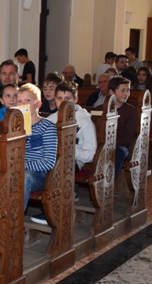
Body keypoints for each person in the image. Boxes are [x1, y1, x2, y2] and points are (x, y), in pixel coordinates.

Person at [16, 84, 58, 224]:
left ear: (38, 104)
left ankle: (14, 222)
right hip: (18, 170)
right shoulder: (14, 127)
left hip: (39, 175)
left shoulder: (47, 127)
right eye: (19, 101)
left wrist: (22, 166)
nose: (22, 105)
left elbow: (49, 162)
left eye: (27, 101)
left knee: (25, 177)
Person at [46, 82, 97, 173]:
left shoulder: (85, 122)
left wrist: (71, 150)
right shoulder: (50, 119)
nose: (63, 103)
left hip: (72, 162)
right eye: (59, 98)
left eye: (67, 99)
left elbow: (91, 155)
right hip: (49, 158)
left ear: (75, 99)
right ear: (55, 99)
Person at [108, 76, 138, 181]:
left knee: (119, 153)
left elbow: (129, 136)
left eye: (128, 90)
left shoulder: (130, 111)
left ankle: (110, 181)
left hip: (121, 145)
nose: (126, 94)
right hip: (104, 143)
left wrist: (112, 144)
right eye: (123, 90)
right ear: (111, 92)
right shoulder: (102, 108)